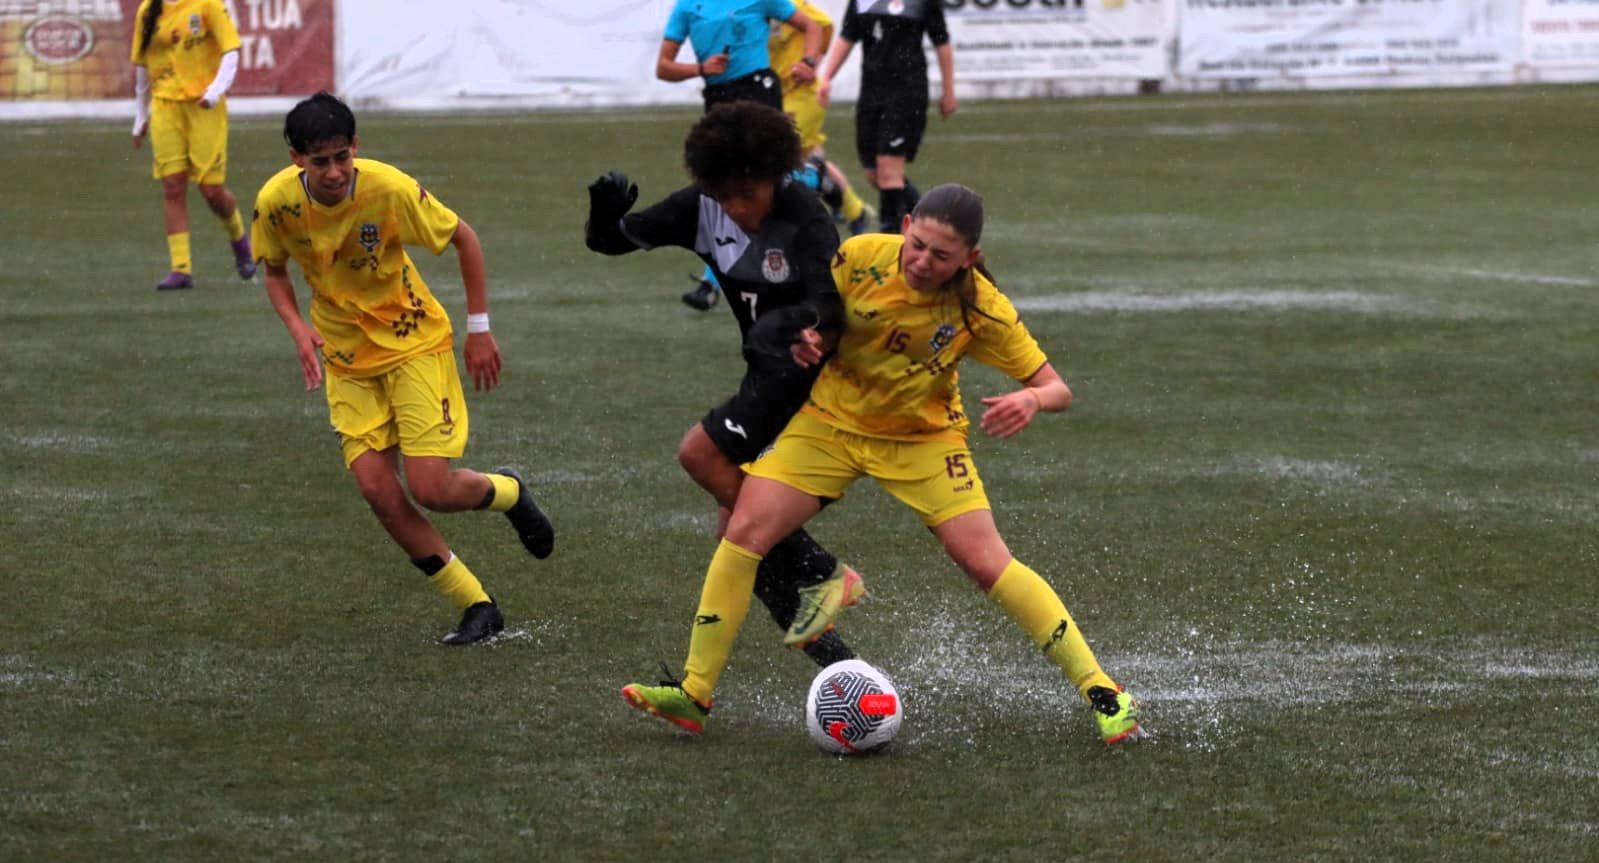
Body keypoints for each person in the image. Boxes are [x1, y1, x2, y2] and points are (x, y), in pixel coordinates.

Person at [620, 184, 1143, 745]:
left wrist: (1030, 399)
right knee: (742, 530)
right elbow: (815, 312)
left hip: (924, 441)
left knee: (987, 563)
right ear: (907, 223)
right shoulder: (862, 255)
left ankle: (1104, 692)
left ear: (967, 258)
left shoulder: (981, 306)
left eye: (941, 256)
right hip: (829, 426)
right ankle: (695, 694)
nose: (922, 262)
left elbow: (1055, 386)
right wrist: (807, 339)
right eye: (917, 244)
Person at [251, 92, 555, 645]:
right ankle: (475, 604)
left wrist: (480, 328)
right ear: (296, 158)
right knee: (379, 493)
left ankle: (508, 491)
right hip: (347, 361)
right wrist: (299, 329)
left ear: (355, 148)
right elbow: (272, 270)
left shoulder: (387, 188)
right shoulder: (275, 203)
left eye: (343, 156)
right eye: (320, 162)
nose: (335, 171)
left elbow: (465, 238)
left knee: (431, 488)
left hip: (415, 344)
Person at [585, 101, 866, 696]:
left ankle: (823, 571)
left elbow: (830, 304)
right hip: (763, 380)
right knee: (740, 543)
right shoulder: (702, 208)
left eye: (750, 194)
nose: (738, 209)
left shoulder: (806, 216)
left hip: (810, 384)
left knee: (700, 456)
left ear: (777, 176)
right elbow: (612, 243)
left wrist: (805, 328)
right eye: (727, 195)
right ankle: (843, 675)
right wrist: (602, 216)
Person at [656, 0, 823, 311]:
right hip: (718, 99)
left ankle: (711, 283)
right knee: (724, 192)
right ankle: (814, 176)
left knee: (760, 187)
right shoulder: (687, 7)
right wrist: (701, 69)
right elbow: (663, 67)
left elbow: (813, 26)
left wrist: (809, 62)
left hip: (758, 91)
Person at [130, 0, 256, 291]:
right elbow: (141, 66)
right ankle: (181, 269)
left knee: (211, 190)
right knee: (172, 184)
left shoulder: (209, 4)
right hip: (165, 106)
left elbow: (231, 51)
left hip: (204, 106)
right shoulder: (148, 10)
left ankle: (240, 242)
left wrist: (215, 91)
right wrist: (140, 115)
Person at [816, 0, 957, 234]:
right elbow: (847, 36)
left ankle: (889, 241)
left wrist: (948, 90)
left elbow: (942, 42)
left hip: (907, 91)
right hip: (872, 92)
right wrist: (826, 77)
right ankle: (930, 220)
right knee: (875, 175)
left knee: (889, 170)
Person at [770, 0, 876, 238]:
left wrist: (812, 62)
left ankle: (797, 224)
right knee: (809, 156)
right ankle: (854, 210)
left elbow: (823, 25)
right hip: (777, 94)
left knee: (780, 158)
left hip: (801, 94)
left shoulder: (790, 5)